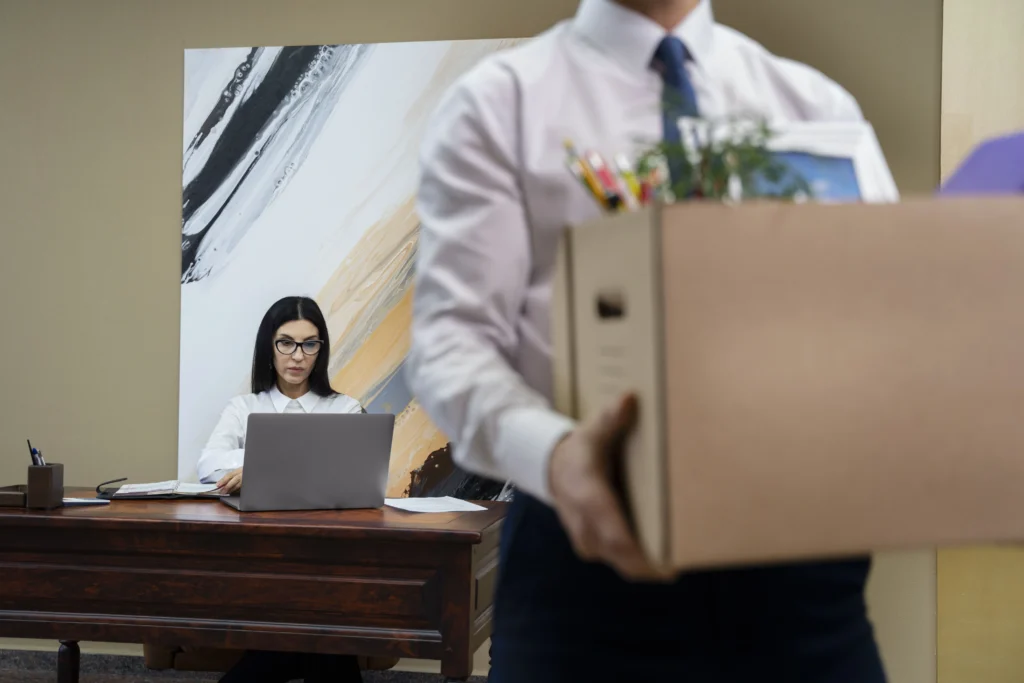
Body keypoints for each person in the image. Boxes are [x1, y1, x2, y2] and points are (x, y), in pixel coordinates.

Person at [408, 0, 888, 681]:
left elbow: (883, 321)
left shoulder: (816, 107)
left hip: (805, 585)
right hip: (584, 571)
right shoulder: (497, 105)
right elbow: (448, 345)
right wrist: (557, 456)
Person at [199, 295, 363, 683]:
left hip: (328, 560)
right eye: (286, 342)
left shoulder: (345, 410)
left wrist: (259, 469)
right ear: (269, 348)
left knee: (321, 635)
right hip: (260, 560)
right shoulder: (244, 408)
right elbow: (207, 466)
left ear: (320, 351)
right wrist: (248, 470)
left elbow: (351, 477)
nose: (297, 356)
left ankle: (290, 657)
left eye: (309, 344)